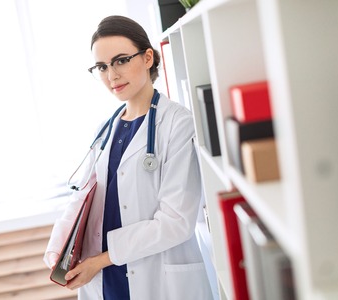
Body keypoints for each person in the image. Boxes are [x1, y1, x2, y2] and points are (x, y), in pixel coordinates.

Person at [44, 15, 213, 300]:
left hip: (156, 278)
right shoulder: (105, 130)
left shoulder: (177, 123)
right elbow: (83, 196)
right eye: (102, 66)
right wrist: (57, 248)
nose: (112, 76)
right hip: (105, 279)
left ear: (148, 58)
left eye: (121, 60)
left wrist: (100, 260)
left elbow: (175, 221)